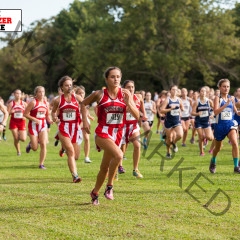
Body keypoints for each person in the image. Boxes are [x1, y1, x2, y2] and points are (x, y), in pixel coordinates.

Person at [81, 66, 139, 205]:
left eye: (118, 77)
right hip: (103, 132)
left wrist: (129, 103)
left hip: (118, 133)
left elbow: (137, 116)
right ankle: (110, 187)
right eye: (112, 77)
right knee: (119, 155)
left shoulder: (125, 94)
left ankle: (95, 193)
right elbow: (83, 104)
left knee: (104, 168)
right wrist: (85, 120)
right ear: (106, 79)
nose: (116, 79)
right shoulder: (99, 94)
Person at [51, 76, 83, 182]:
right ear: (61, 87)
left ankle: (62, 148)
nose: (69, 87)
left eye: (70, 85)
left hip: (75, 128)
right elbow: (53, 112)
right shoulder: (58, 100)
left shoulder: (77, 98)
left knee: (76, 156)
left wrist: (84, 119)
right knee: (71, 152)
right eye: (66, 85)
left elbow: (85, 106)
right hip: (63, 128)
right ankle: (75, 176)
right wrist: (54, 118)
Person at [209, 79, 240, 173]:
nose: (226, 88)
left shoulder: (232, 98)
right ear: (219, 87)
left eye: (228, 86)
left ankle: (236, 167)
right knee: (217, 148)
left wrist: (238, 112)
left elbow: (235, 111)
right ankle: (213, 161)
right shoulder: (217, 98)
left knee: (235, 142)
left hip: (230, 124)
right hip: (219, 126)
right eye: (224, 86)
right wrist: (226, 104)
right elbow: (215, 111)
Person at [119, 80, 147, 178]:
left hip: (133, 126)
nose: (131, 89)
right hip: (121, 127)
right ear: (124, 89)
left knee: (137, 145)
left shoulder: (138, 97)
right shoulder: (120, 98)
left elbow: (142, 109)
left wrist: (144, 115)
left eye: (132, 87)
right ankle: (119, 166)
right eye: (128, 87)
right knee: (121, 148)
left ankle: (135, 169)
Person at [24, 86, 52, 169]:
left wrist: (50, 121)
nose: (42, 93)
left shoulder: (46, 103)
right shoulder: (33, 102)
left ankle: (41, 164)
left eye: (43, 91)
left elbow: (47, 116)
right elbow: (25, 114)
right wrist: (34, 119)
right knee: (35, 148)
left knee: (43, 144)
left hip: (43, 126)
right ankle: (30, 144)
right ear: (36, 93)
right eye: (40, 92)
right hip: (33, 126)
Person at [160, 85, 183, 158]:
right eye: (173, 89)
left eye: (176, 90)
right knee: (169, 138)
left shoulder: (179, 100)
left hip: (176, 120)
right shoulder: (167, 100)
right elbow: (161, 110)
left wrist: (181, 110)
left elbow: (182, 108)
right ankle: (168, 152)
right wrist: (170, 109)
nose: (174, 91)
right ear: (170, 91)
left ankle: (174, 143)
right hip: (168, 121)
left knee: (180, 135)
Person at [191, 87, 214, 156]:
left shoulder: (209, 101)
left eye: (204, 91)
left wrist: (212, 114)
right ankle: (201, 152)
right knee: (200, 137)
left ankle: (206, 138)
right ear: (199, 93)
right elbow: (192, 113)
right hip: (198, 121)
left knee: (210, 138)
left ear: (206, 93)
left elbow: (214, 109)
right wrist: (198, 113)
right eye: (202, 91)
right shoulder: (196, 102)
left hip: (206, 121)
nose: (203, 93)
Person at [75, 85, 94, 163]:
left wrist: (89, 116)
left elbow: (85, 112)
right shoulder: (74, 102)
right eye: (79, 93)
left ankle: (86, 157)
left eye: (82, 93)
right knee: (77, 140)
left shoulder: (86, 101)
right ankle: (71, 150)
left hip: (85, 121)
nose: (81, 95)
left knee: (86, 138)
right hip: (76, 122)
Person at [7, 89, 27, 155]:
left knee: (23, 139)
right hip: (13, 122)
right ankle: (18, 151)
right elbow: (7, 114)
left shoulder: (24, 104)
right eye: (17, 93)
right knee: (16, 138)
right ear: (14, 94)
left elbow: (28, 113)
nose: (18, 95)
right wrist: (10, 112)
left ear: (21, 95)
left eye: (19, 94)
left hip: (22, 122)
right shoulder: (11, 104)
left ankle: (19, 134)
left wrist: (25, 117)